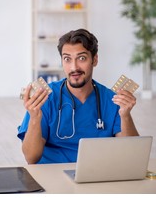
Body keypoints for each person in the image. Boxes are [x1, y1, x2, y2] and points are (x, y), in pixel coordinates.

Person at [17, 28, 139, 164]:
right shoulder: (45, 98)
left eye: (81, 58)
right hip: (52, 177)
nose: (74, 67)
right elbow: (31, 158)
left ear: (95, 60)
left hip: (97, 175)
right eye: (67, 59)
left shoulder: (113, 100)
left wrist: (126, 115)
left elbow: (131, 156)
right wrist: (34, 118)